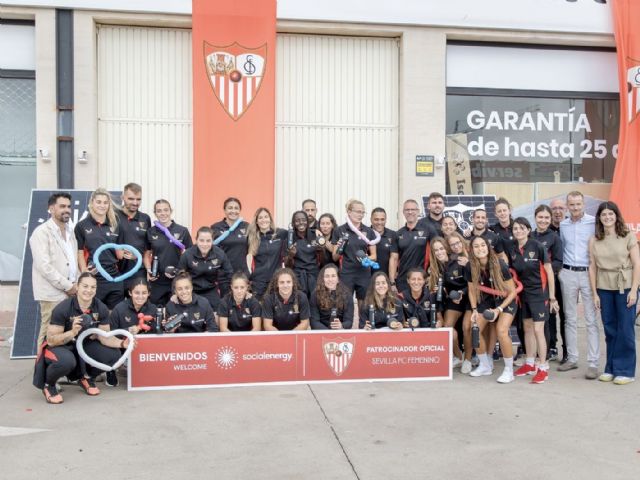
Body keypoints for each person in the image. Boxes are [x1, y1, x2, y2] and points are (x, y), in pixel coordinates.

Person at [33, 273, 130, 403]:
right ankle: (49, 385)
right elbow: (51, 340)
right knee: (67, 362)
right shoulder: (63, 308)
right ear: (77, 287)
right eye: (85, 286)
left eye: (93, 287)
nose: (89, 290)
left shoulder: (100, 308)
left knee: (113, 355)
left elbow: (105, 337)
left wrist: (123, 343)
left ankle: (86, 377)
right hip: (62, 345)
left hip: (85, 344)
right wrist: (72, 332)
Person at [589, 201, 639, 385]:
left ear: (616, 216)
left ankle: (625, 370)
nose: (607, 217)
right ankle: (610, 368)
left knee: (625, 329)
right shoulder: (595, 239)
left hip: (624, 286)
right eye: (604, 215)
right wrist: (594, 293)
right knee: (610, 329)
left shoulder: (627, 235)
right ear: (599, 218)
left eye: (611, 214)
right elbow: (592, 267)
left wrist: (634, 290)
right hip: (604, 288)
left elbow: (637, 264)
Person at [510, 217, 558, 384]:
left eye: (522, 228)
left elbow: (549, 272)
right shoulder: (513, 249)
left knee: (539, 330)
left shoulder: (537, 246)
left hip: (540, 294)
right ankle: (530, 363)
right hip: (524, 295)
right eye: (515, 228)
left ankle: (542, 367)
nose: (518, 231)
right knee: (528, 329)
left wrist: (552, 297)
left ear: (528, 230)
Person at [557, 191, 599, 379]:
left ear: (583, 204)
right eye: (572, 205)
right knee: (570, 318)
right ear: (567, 206)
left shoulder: (593, 223)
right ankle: (572, 358)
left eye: (578, 204)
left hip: (588, 273)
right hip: (568, 273)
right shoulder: (563, 225)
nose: (575, 208)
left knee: (590, 319)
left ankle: (593, 363)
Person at [29, 192, 78, 349]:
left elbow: (72, 261)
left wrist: (76, 283)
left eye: (69, 206)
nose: (67, 210)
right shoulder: (41, 232)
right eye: (62, 206)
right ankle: (41, 370)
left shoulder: (70, 232)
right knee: (47, 334)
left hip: (71, 291)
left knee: (67, 333)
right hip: (52, 293)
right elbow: (44, 266)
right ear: (51, 209)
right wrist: (67, 286)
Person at [466, 236, 518, 383]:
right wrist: (475, 309)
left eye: (483, 245)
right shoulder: (470, 266)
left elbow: (512, 292)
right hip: (486, 300)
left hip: (505, 301)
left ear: (488, 247)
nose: (480, 248)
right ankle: (485, 365)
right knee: (474, 329)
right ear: (472, 250)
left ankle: (509, 370)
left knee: (502, 331)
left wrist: (499, 310)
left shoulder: (499, 264)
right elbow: (471, 290)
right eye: (476, 246)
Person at [75, 188, 124, 309]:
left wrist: (131, 254)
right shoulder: (82, 226)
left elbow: (120, 254)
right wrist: (85, 271)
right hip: (95, 277)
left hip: (114, 277)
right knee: (95, 316)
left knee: (114, 316)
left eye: (105, 202)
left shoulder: (115, 224)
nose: (102, 205)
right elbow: (80, 253)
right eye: (99, 202)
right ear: (92, 203)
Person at [108, 277, 157, 387]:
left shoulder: (153, 309)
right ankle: (111, 371)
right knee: (109, 351)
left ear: (149, 293)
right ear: (130, 293)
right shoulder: (119, 309)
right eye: (136, 293)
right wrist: (128, 331)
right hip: (123, 347)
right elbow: (111, 334)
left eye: (144, 293)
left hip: (144, 349)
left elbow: (156, 332)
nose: (140, 296)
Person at [145, 199, 193, 306]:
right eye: (159, 211)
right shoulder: (151, 232)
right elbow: (147, 254)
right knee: (156, 311)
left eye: (166, 210)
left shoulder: (182, 231)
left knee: (175, 310)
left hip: (176, 280)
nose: (163, 213)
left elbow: (190, 255)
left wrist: (181, 273)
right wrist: (149, 270)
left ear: (171, 211)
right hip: (157, 281)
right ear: (155, 213)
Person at [532, 204, 564, 362]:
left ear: (550, 219)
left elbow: (558, 262)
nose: (543, 220)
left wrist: (543, 271)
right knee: (532, 319)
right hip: (531, 285)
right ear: (535, 218)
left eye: (546, 218)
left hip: (549, 284)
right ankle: (532, 351)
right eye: (540, 217)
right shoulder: (529, 235)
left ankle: (550, 347)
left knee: (548, 317)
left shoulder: (554, 238)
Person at [331, 199, 379, 300]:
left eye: (363, 212)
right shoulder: (339, 230)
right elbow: (335, 257)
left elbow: (374, 256)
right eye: (358, 212)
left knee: (364, 305)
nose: (360, 215)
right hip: (346, 273)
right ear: (349, 212)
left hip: (364, 273)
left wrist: (366, 258)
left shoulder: (368, 231)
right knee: (345, 304)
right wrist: (340, 247)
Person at [178, 227, 233, 311]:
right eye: (201, 240)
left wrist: (235, 290)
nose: (205, 244)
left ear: (212, 241)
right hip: (191, 290)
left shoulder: (220, 254)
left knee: (219, 311)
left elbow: (229, 273)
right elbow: (179, 277)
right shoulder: (187, 255)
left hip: (210, 289)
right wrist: (175, 294)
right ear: (196, 240)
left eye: (208, 241)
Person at [389, 199, 437, 293]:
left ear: (418, 211)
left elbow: (437, 253)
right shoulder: (398, 234)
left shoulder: (429, 230)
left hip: (422, 279)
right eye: (407, 210)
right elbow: (393, 259)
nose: (410, 212)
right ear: (403, 212)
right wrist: (392, 282)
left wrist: (432, 275)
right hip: (403, 280)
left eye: (413, 209)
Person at [116, 183, 151, 289]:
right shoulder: (113, 216)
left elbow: (148, 248)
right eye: (131, 199)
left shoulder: (145, 218)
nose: (135, 203)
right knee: (118, 306)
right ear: (123, 197)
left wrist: (138, 257)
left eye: (138, 199)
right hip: (117, 271)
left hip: (139, 272)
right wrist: (117, 252)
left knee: (139, 303)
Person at [246, 207, 287, 298]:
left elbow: (296, 232)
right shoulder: (251, 238)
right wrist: (249, 276)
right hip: (258, 281)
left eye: (266, 217)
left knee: (275, 308)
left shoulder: (280, 234)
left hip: (276, 279)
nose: (263, 220)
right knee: (258, 309)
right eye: (260, 218)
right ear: (256, 221)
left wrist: (314, 231)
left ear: (270, 219)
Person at [445, 232, 472, 372]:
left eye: (458, 243)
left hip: (470, 296)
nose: (456, 246)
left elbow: (476, 282)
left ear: (462, 241)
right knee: (447, 327)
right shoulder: (449, 260)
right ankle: (458, 356)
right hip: (455, 298)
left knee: (466, 327)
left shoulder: (472, 255)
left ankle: (468, 359)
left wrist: (469, 264)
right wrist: (452, 294)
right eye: (452, 245)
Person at [286, 210, 322, 297]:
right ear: (293, 223)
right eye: (297, 220)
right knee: (301, 302)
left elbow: (322, 261)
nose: (301, 222)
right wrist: (291, 256)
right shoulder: (289, 238)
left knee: (314, 301)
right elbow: (287, 266)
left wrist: (320, 250)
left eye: (303, 220)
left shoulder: (315, 235)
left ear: (307, 221)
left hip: (314, 275)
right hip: (298, 276)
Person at [211, 197, 249, 275]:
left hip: (242, 274)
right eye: (230, 208)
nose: (233, 211)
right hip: (223, 273)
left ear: (240, 210)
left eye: (236, 208)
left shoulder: (247, 226)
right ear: (225, 210)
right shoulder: (216, 227)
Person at [310, 264, 355, 329]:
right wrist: (329, 333)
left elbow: (349, 321)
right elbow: (314, 322)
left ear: (338, 279)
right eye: (327, 276)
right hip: (321, 332)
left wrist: (341, 326)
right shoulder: (315, 294)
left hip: (340, 332)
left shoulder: (347, 295)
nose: (330, 279)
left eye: (333, 276)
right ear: (323, 279)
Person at [370, 207, 397, 277]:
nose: (379, 222)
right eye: (376, 219)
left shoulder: (393, 235)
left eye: (382, 219)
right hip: (368, 280)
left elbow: (394, 259)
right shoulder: (365, 234)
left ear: (386, 220)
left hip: (386, 280)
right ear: (371, 220)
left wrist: (392, 281)